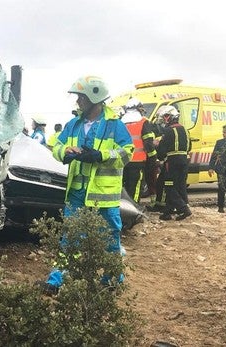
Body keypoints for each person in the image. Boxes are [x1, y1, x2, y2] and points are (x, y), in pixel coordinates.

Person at [40, 75, 134, 294]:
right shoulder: (73, 124)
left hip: (104, 196)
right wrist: (66, 152)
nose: (78, 101)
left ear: (94, 97)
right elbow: (56, 146)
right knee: (70, 239)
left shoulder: (115, 126)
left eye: (81, 97)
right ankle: (57, 281)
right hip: (77, 193)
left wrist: (100, 155)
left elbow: (127, 152)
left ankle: (112, 281)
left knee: (110, 238)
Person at [155, 105, 192, 221]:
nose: (163, 120)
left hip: (172, 162)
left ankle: (183, 208)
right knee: (179, 185)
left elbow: (162, 150)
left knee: (169, 186)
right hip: (184, 161)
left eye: (165, 117)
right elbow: (189, 146)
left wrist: (158, 151)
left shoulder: (168, 131)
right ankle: (168, 211)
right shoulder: (185, 130)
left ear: (170, 117)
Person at [120, 97, 157, 202]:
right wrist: (153, 158)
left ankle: (124, 210)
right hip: (138, 162)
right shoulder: (143, 122)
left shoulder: (121, 123)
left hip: (123, 161)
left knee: (124, 188)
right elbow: (148, 143)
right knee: (135, 188)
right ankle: (134, 211)